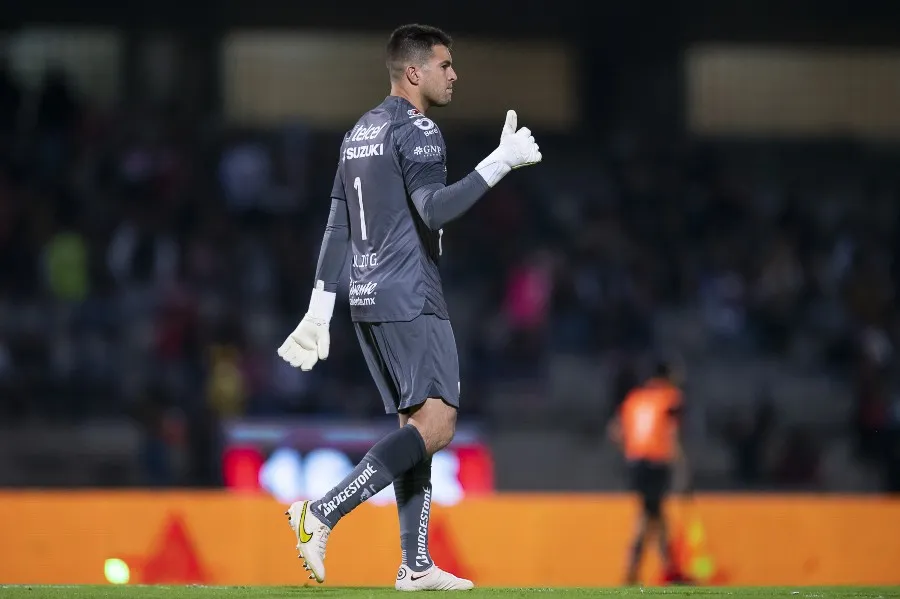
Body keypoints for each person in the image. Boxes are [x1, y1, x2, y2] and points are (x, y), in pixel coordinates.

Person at [276, 23, 542, 591]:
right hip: (411, 294)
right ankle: (321, 512)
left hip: (366, 299)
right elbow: (437, 211)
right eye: (445, 65)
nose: (454, 75)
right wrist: (501, 161)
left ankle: (414, 564)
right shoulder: (418, 129)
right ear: (414, 71)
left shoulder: (357, 133)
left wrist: (321, 308)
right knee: (440, 424)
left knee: (413, 429)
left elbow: (337, 225)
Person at [608, 357, 691, 586]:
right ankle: (636, 572)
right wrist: (682, 467)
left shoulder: (635, 399)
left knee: (654, 514)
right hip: (656, 461)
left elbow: (615, 431)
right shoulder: (669, 398)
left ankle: (668, 569)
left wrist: (631, 448)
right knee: (648, 516)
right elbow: (672, 433)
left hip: (636, 463)